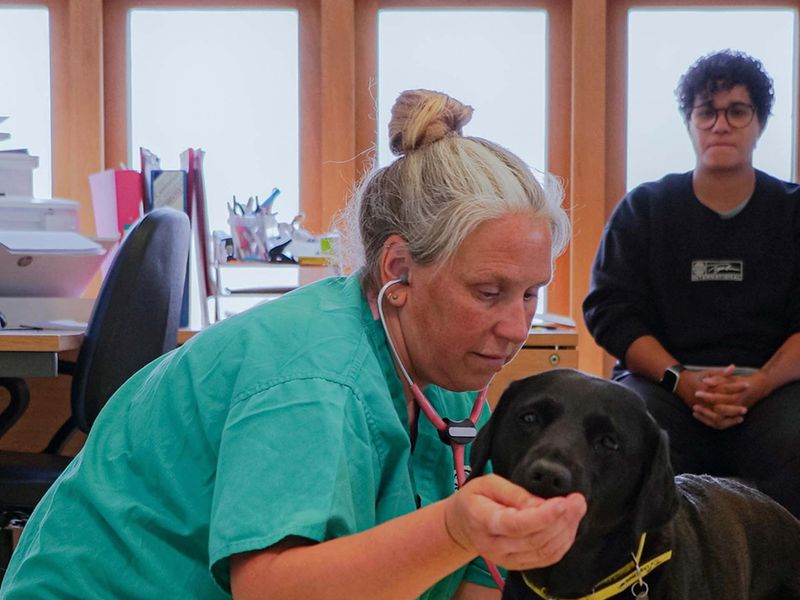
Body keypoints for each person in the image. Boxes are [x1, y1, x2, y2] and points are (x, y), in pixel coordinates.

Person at [2, 89, 586, 599]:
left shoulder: (449, 374)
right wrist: (456, 530)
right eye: (489, 292)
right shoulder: (310, 381)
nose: (515, 327)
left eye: (531, 294)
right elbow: (275, 588)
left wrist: (494, 544)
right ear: (399, 271)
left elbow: (467, 577)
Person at [583, 50, 800, 517]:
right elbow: (609, 311)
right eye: (707, 111)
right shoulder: (645, 209)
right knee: (624, 430)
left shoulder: (793, 212)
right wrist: (681, 380)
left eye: (737, 111)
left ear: (759, 122)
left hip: (774, 389)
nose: (721, 124)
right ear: (690, 122)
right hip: (666, 385)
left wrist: (760, 383)